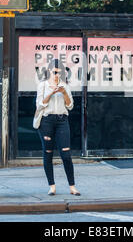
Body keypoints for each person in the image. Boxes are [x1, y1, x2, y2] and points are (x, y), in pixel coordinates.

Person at [35, 59, 80, 196]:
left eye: (59, 73)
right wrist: (51, 93)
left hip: (62, 120)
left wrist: (64, 93)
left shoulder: (65, 86)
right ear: (49, 71)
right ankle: (52, 186)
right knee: (48, 153)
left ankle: (72, 187)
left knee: (66, 154)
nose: (57, 75)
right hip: (47, 121)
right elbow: (39, 104)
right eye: (55, 72)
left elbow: (70, 106)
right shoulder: (42, 85)